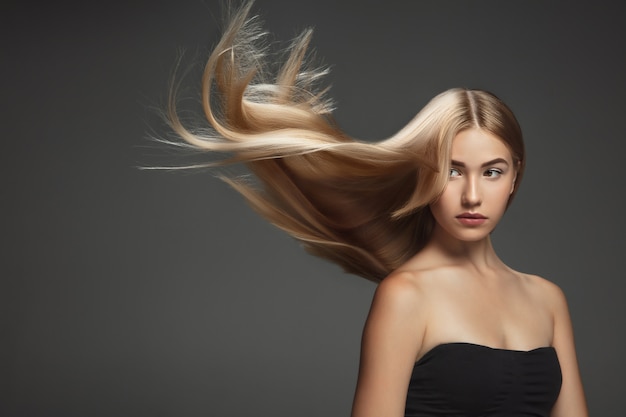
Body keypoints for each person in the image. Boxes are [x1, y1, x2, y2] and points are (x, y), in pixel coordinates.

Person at [162, 2, 588, 416]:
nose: (472, 195)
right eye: (452, 171)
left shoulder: (548, 300)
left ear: (515, 176)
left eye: (491, 172)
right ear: (424, 175)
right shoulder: (405, 296)